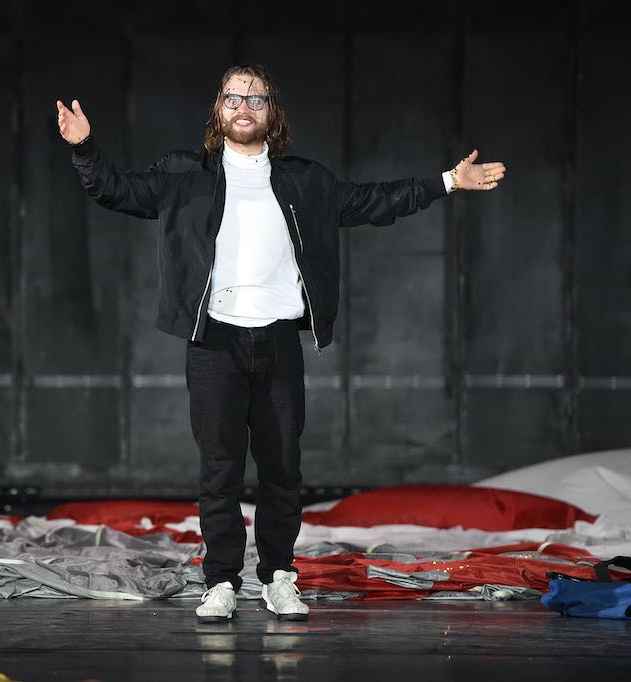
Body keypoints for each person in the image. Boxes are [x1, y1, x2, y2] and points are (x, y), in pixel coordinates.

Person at [56, 63, 506, 623]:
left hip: (277, 342)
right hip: (214, 342)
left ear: (272, 112)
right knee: (219, 470)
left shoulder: (306, 182)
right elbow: (115, 189)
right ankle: (221, 581)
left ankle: (277, 578)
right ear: (218, 110)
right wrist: (85, 148)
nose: (243, 106)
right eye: (233, 97)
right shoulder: (183, 174)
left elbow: (375, 201)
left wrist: (449, 181)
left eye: (256, 98)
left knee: (282, 469)